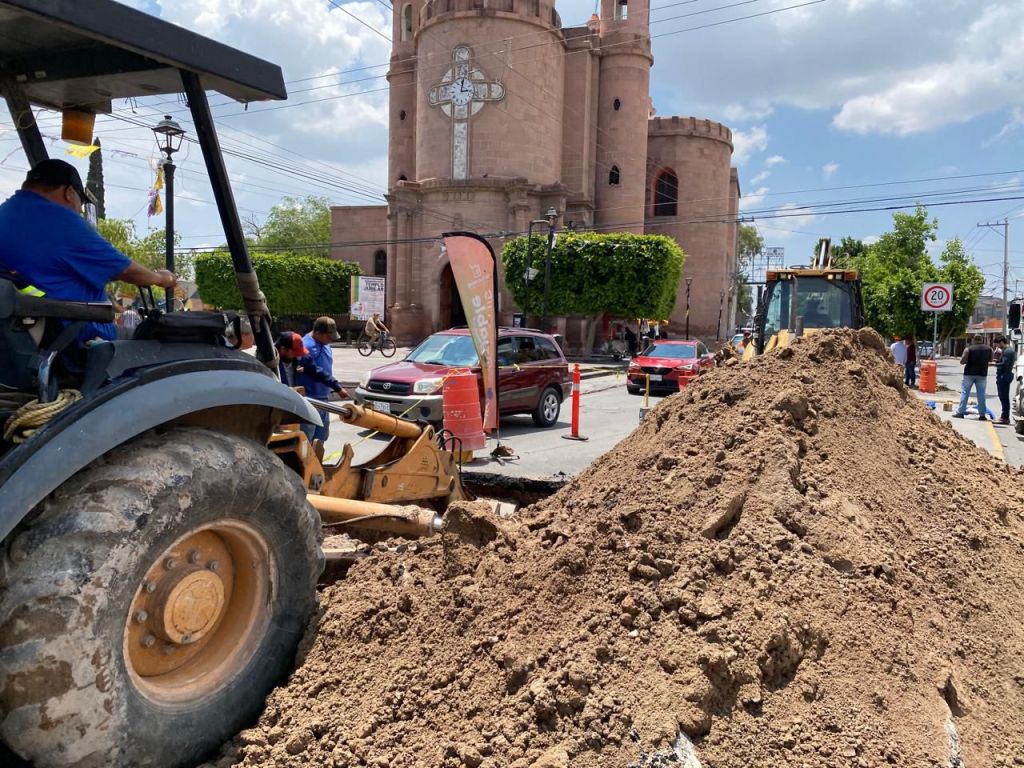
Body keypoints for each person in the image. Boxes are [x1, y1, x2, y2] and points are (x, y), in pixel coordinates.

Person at [0, 159, 176, 342]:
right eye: (81, 201)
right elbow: (125, 270)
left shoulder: (5, 213)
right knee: (157, 342)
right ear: (69, 193)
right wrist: (162, 278)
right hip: (74, 337)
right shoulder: (62, 222)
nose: (80, 209)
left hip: (20, 338)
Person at [275, 331, 348, 444]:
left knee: (318, 437)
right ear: (283, 349)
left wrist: (337, 387)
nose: (297, 356)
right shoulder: (269, 362)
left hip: (293, 404)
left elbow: (316, 371)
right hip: (279, 408)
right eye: (294, 353)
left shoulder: (298, 357)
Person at [300, 316, 342, 442]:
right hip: (308, 401)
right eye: (328, 337)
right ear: (318, 333)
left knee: (321, 438)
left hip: (324, 400)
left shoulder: (326, 345)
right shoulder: (304, 346)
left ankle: (318, 461)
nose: (330, 340)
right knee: (306, 440)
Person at [953, 334, 993, 421]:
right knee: (981, 395)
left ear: (973, 340)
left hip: (969, 374)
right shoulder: (989, 349)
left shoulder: (968, 349)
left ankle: (960, 412)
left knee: (965, 393)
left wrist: (968, 360)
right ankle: (982, 415)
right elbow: (990, 360)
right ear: (982, 340)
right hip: (982, 374)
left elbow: (962, 361)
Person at [994, 336, 1016, 425]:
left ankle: (1005, 417)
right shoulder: (1006, 350)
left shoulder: (1008, 351)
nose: (998, 346)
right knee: (1002, 396)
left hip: (1004, 376)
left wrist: (994, 364)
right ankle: (1004, 417)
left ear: (1002, 342)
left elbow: (1005, 364)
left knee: (1004, 397)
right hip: (1003, 375)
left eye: (998, 344)